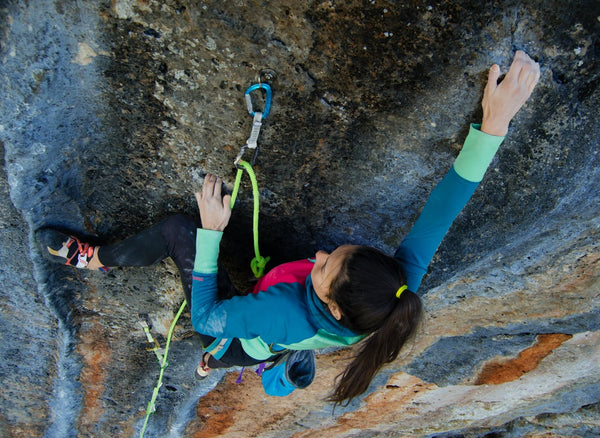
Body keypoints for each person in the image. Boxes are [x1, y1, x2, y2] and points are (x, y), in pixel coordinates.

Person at [37, 50, 540, 405]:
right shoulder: (389, 291)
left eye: (324, 267)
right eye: (338, 252)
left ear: (332, 304)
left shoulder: (283, 313)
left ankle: (93, 259)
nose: (319, 255)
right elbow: (442, 211)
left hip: (260, 331)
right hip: (270, 339)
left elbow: (208, 317)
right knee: (230, 352)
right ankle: (216, 365)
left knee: (177, 233)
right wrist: (494, 125)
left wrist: (211, 232)